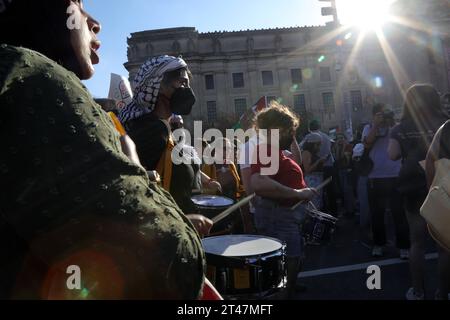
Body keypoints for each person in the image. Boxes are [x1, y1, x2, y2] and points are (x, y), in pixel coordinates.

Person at [0, 1, 205, 299]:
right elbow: (171, 258)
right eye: (76, 4)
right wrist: (142, 177)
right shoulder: (33, 78)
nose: (95, 22)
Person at [119, 56, 214, 237]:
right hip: (163, 239)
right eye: (182, 83)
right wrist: (180, 220)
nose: (187, 90)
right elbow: (133, 191)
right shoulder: (153, 128)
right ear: (159, 85)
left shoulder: (162, 127)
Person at [388, 84, 449, 300]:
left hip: (412, 184)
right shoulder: (444, 123)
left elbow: (393, 155)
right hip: (442, 184)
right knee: (444, 245)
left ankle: (418, 291)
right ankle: (443, 292)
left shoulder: (400, 127)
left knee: (417, 241)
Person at [250, 102, 317, 298]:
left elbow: (295, 161)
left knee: (290, 261)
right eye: (289, 130)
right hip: (278, 218)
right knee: (286, 263)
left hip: (283, 217)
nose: (292, 133)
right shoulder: (268, 150)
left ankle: (289, 288)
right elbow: (259, 183)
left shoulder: (275, 150)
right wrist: (298, 194)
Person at [362, 103, 410, 258]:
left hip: (395, 175)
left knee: (399, 213)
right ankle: (379, 244)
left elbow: (403, 140)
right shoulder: (369, 127)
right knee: (377, 214)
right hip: (375, 176)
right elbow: (367, 143)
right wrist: (376, 125)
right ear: (374, 115)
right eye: (380, 115)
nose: (383, 118)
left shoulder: (395, 128)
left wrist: (392, 123)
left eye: (385, 114)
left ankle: (403, 246)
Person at [425, 119, 450, 300]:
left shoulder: (446, 127)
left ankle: (442, 294)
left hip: (447, 195)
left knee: (445, 250)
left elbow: (429, 162)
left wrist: (432, 192)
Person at [308, 120, 337, 215]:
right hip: (329, 165)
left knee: (319, 192)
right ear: (319, 127)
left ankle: (323, 215)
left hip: (318, 168)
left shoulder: (310, 136)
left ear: (309, 128)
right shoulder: (326, 136)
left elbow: (301, 147)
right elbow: (333, 144)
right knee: (331, 191)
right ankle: (334, 214)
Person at [301, 132, 326, 210]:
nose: (319, 146)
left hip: (317, 180)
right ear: (312, 144)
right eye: (318, 144)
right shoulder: (306, 153)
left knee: (317, 203)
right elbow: (307, 170)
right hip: (311, 181)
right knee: (313, 204)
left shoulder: (312, 153)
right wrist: (318, 161)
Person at [333, 133, 355, 218]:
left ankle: (352, 210)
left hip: (347, 171)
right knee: (344, 191)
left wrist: (343, 147)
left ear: (345, 138)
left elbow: (345, 159)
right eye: (338, 138)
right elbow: (337, 158)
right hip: (340, 171)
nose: (340, 140)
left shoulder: (349, 146)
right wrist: (338, 148)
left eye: (341, 138)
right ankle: (348, 210)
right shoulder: (338, 147)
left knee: (348, 191)